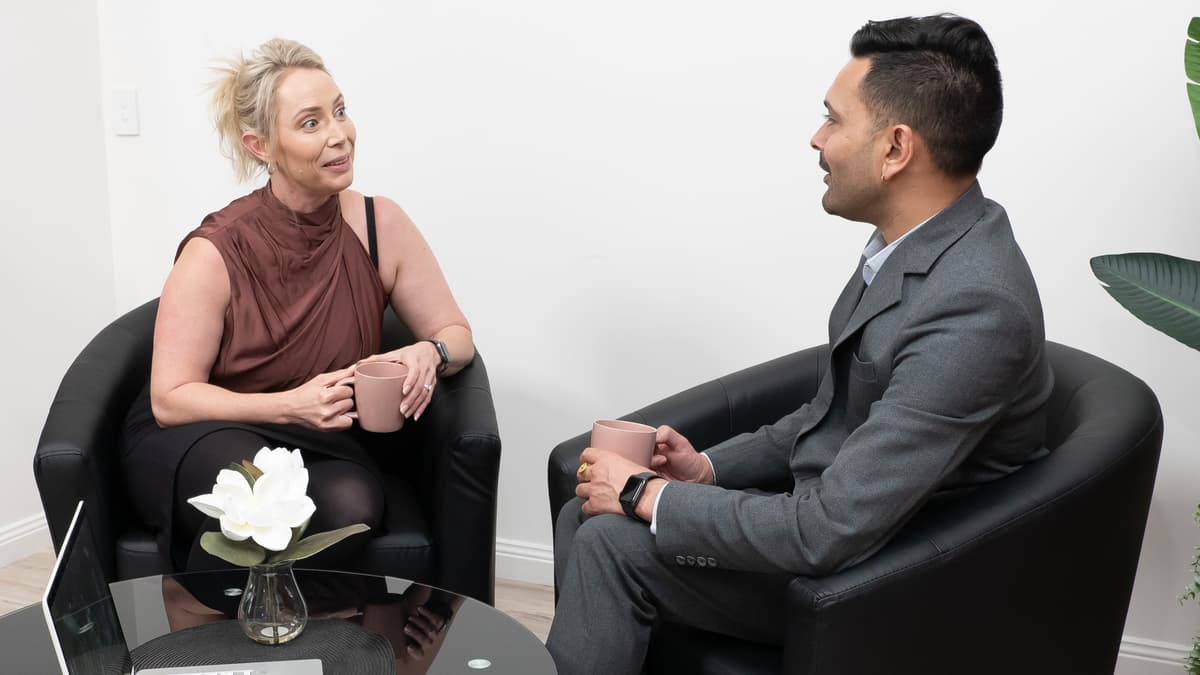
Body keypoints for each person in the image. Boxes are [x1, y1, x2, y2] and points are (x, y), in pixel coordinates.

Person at [547, 14, 1053, 674]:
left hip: (875, 580)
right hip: (837, 526)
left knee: (609, 538)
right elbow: (829, 415)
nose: (817, 139)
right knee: (580, 513)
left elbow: (826, 531)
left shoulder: (976, 306)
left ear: (896, 148)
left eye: (834, 120)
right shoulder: (917, 247)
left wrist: (644, 493)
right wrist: (706, 470)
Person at [121, 38, 474, 573]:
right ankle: (196, 639)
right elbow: (171, 398)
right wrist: (287, 406)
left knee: (354, 503)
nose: (339, 135)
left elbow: (456, 333)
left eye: (340, 111)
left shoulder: (381, 226)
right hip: (205, 432)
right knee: (251, 497)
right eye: (310, 123)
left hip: (317, 440)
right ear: (261, 146)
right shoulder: (215, 251)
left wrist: (431, 351)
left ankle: (281, 635)